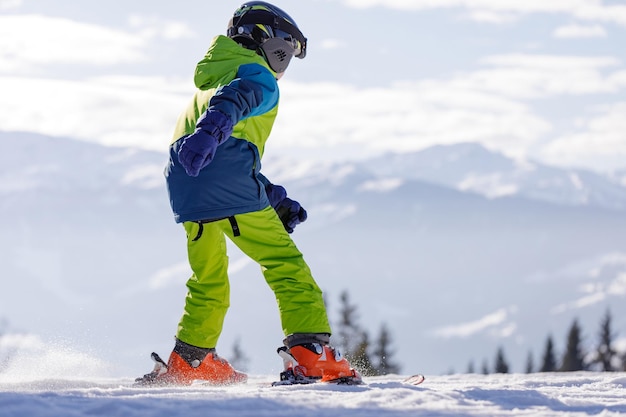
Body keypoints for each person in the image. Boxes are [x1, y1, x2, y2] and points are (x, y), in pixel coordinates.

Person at [136, 1, 361, 386]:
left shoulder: (213, 81)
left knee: (208, 278)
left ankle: (191, 358)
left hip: (187, 188)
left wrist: (272, 198)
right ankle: (312, 354)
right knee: (285, 265)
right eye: (287, 48)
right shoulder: (257, 76)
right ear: (268, 41)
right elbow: (234, 104)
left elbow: (230, 150)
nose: (286, 60)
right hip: (224, 181)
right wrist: (210, 134)